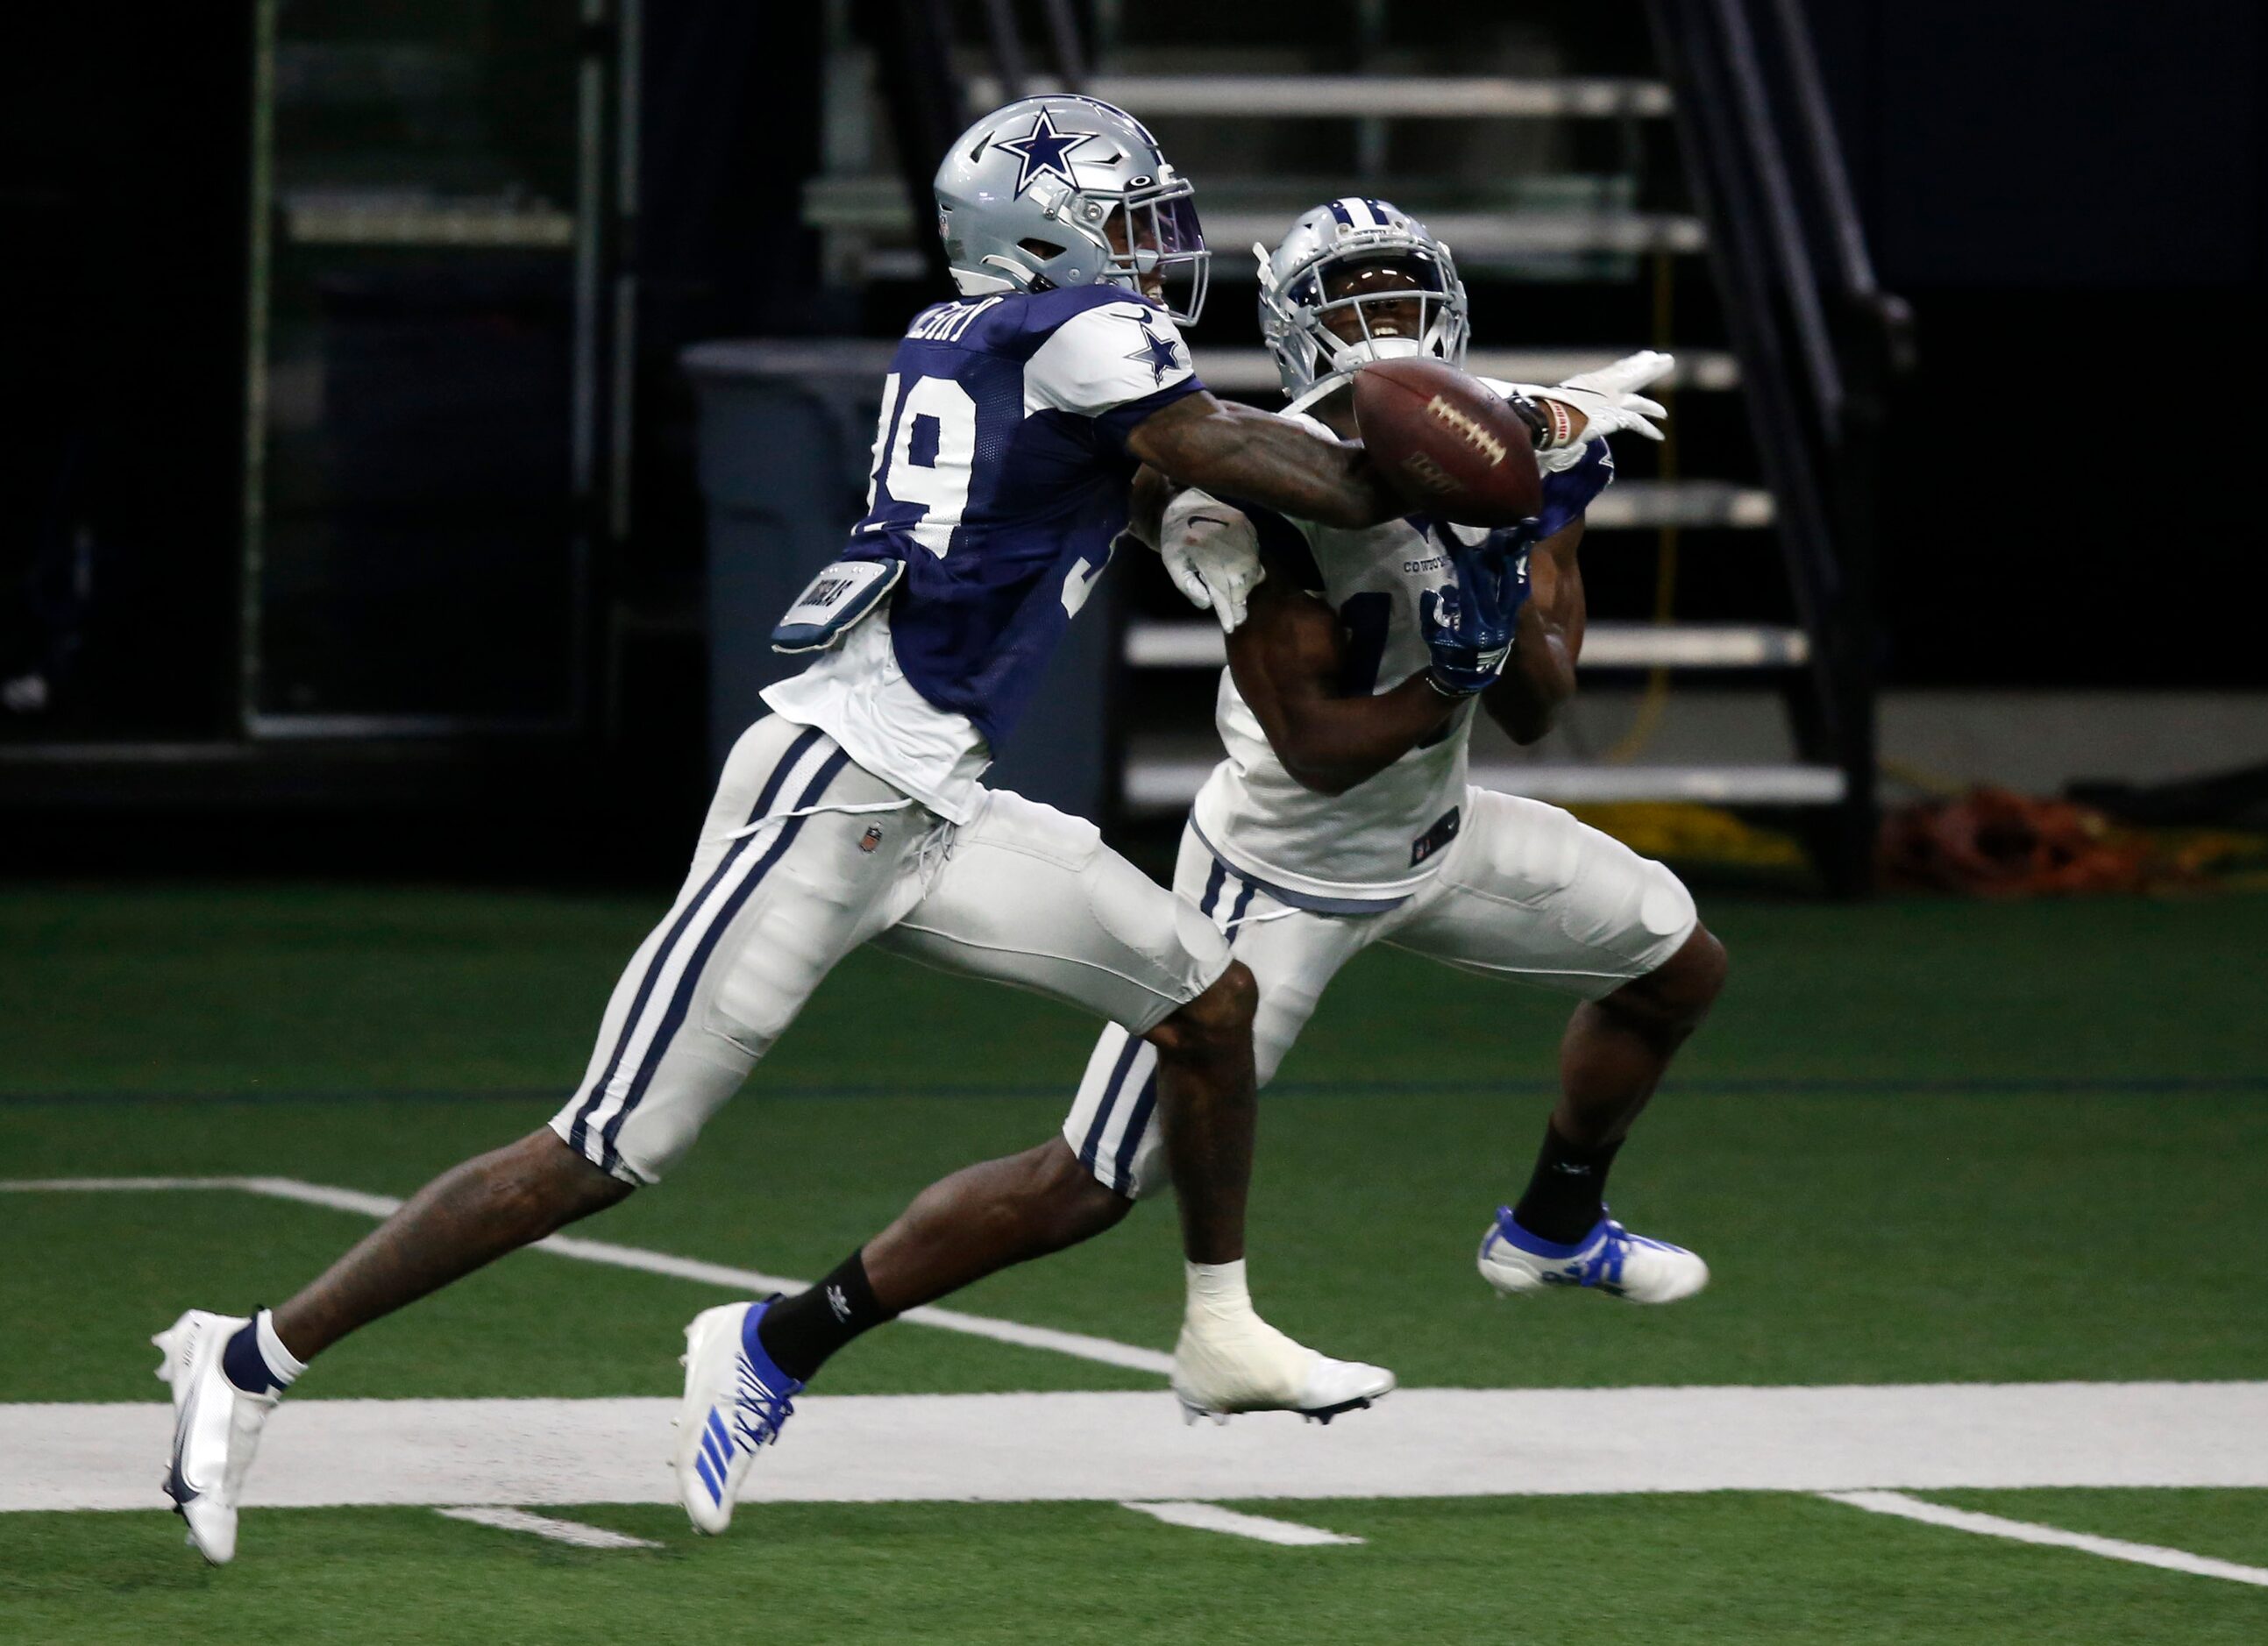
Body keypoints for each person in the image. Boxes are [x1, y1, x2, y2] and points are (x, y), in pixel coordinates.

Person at [152, 107, 1631, 1566]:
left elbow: (1187, 474)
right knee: (600, 1149)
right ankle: (249, 1356)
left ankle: (1221, 1327)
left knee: (1207, 1002)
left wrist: (1466, 436)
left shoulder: (974, 334)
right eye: (1129, 220)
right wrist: (1536, 436)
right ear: (1045, 234)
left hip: (936, 804)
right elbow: (1331, 480)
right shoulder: (1079, 337)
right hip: (828, 795)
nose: (1156, 249)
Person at [676, 197, 1726, 1537]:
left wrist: (1523, 524)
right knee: (1083, 1185)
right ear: (1292, 331)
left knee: (1673, 961)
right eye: (1349, 302)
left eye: (1401, 295)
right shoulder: (1236, 487)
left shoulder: (1501, 440)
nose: (1384, 326)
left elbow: (1537, 705)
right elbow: (1317, 746)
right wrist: (1456, 650)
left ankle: (1552, 1223)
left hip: (1439, 836)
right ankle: (774, 1341)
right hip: (1276, 876)